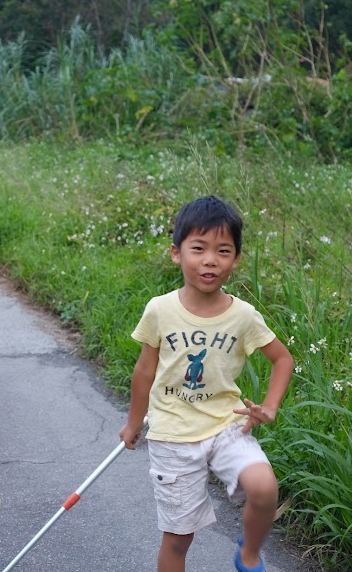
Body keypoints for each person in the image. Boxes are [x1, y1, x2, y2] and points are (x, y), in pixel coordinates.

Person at [118, 196, 294, 572]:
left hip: (226, 423)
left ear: (236, 259)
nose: (211, 259)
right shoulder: (160, 309)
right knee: (179, 537)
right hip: (173, 433)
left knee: (264, 488)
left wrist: (271, 406)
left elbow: (282, 359)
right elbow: (144, 372)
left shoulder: (244, 316)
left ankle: (248, 553)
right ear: (176, 253)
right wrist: (135, 422)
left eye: (223, 250)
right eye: (198, 248)